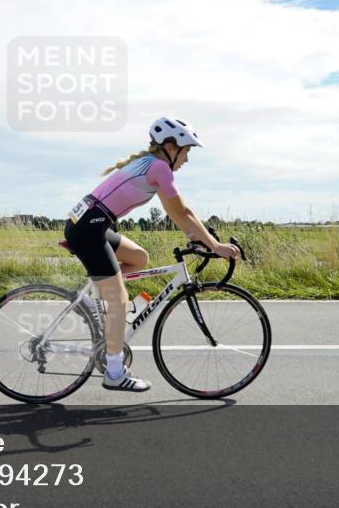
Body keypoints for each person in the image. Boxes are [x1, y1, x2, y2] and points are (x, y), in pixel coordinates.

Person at [64, 117, 240, 392]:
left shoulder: (152, 165)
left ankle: (98, 292)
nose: (187, 159)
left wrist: (199, 238)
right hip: (89, 229)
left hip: (89, 224)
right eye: (187, 151)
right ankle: (114, 372)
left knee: (139, 258)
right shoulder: (159, 168)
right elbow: (185, 212)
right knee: (120, 300)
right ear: (171, 147)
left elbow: (175, 214)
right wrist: (215, 246)